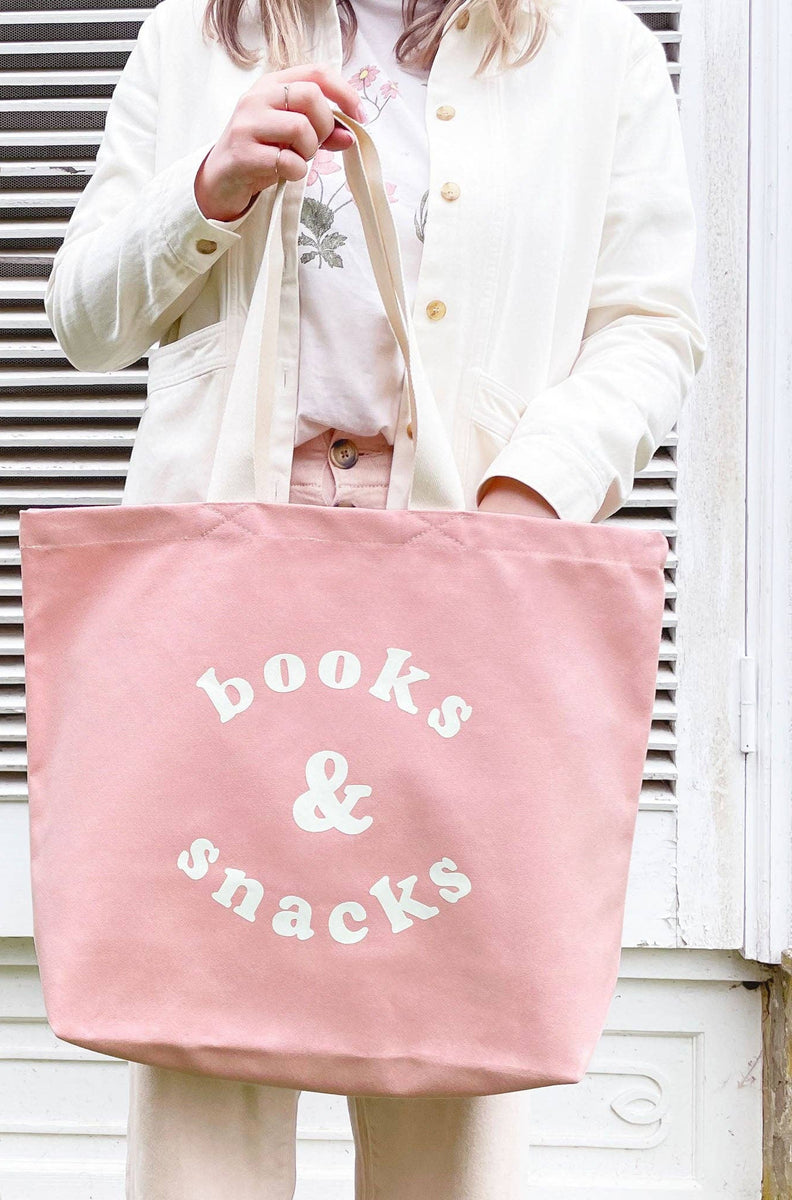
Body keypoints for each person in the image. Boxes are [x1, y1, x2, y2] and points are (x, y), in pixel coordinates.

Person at [44, 0, 706, 1194]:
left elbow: (650, 328)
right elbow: (85, 317)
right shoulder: (193, 38)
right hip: (231, 559)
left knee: (454, 1008)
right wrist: (209, 186)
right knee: (209, 1001)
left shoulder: (594, 47)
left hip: (471, 549)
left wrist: (525, 504)